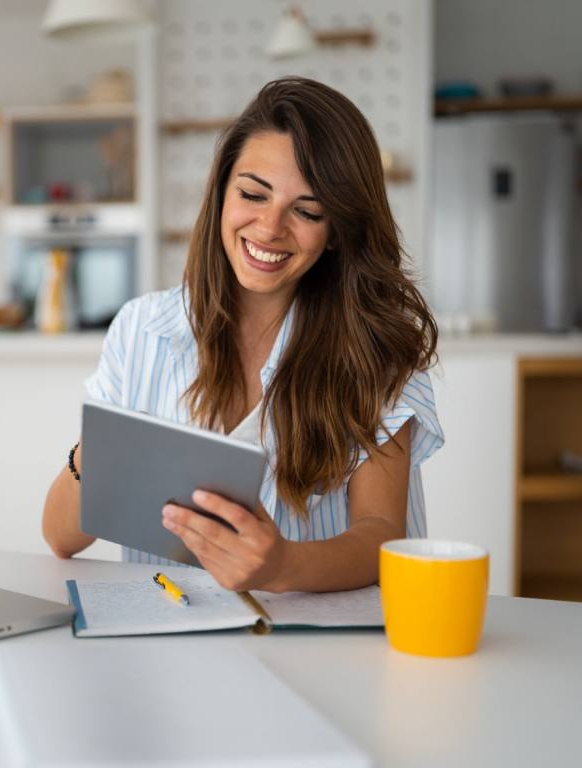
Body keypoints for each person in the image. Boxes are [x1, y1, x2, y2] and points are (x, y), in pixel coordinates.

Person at [42, 77, 442, 594]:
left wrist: (281, 566)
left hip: (312, 648)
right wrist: (98, 451)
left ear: (338, 230)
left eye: (306, 210)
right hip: (162, 644)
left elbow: (383, 536)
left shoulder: (373, 349)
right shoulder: (141, 329)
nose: (270, 227)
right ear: (222, 193)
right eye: (253, 194)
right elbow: (60, 538)